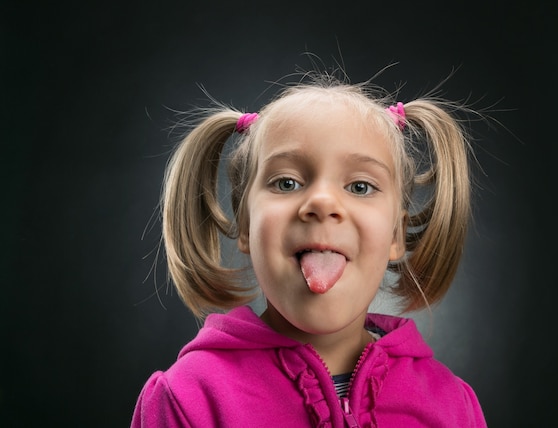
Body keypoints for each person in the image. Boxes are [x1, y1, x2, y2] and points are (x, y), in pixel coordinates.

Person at [131, 69, 488, 427]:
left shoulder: (452, 407)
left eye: (361, 186)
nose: (321, 202)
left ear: (396, 234)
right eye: (287, 182)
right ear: (245, 224)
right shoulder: (188, 398)